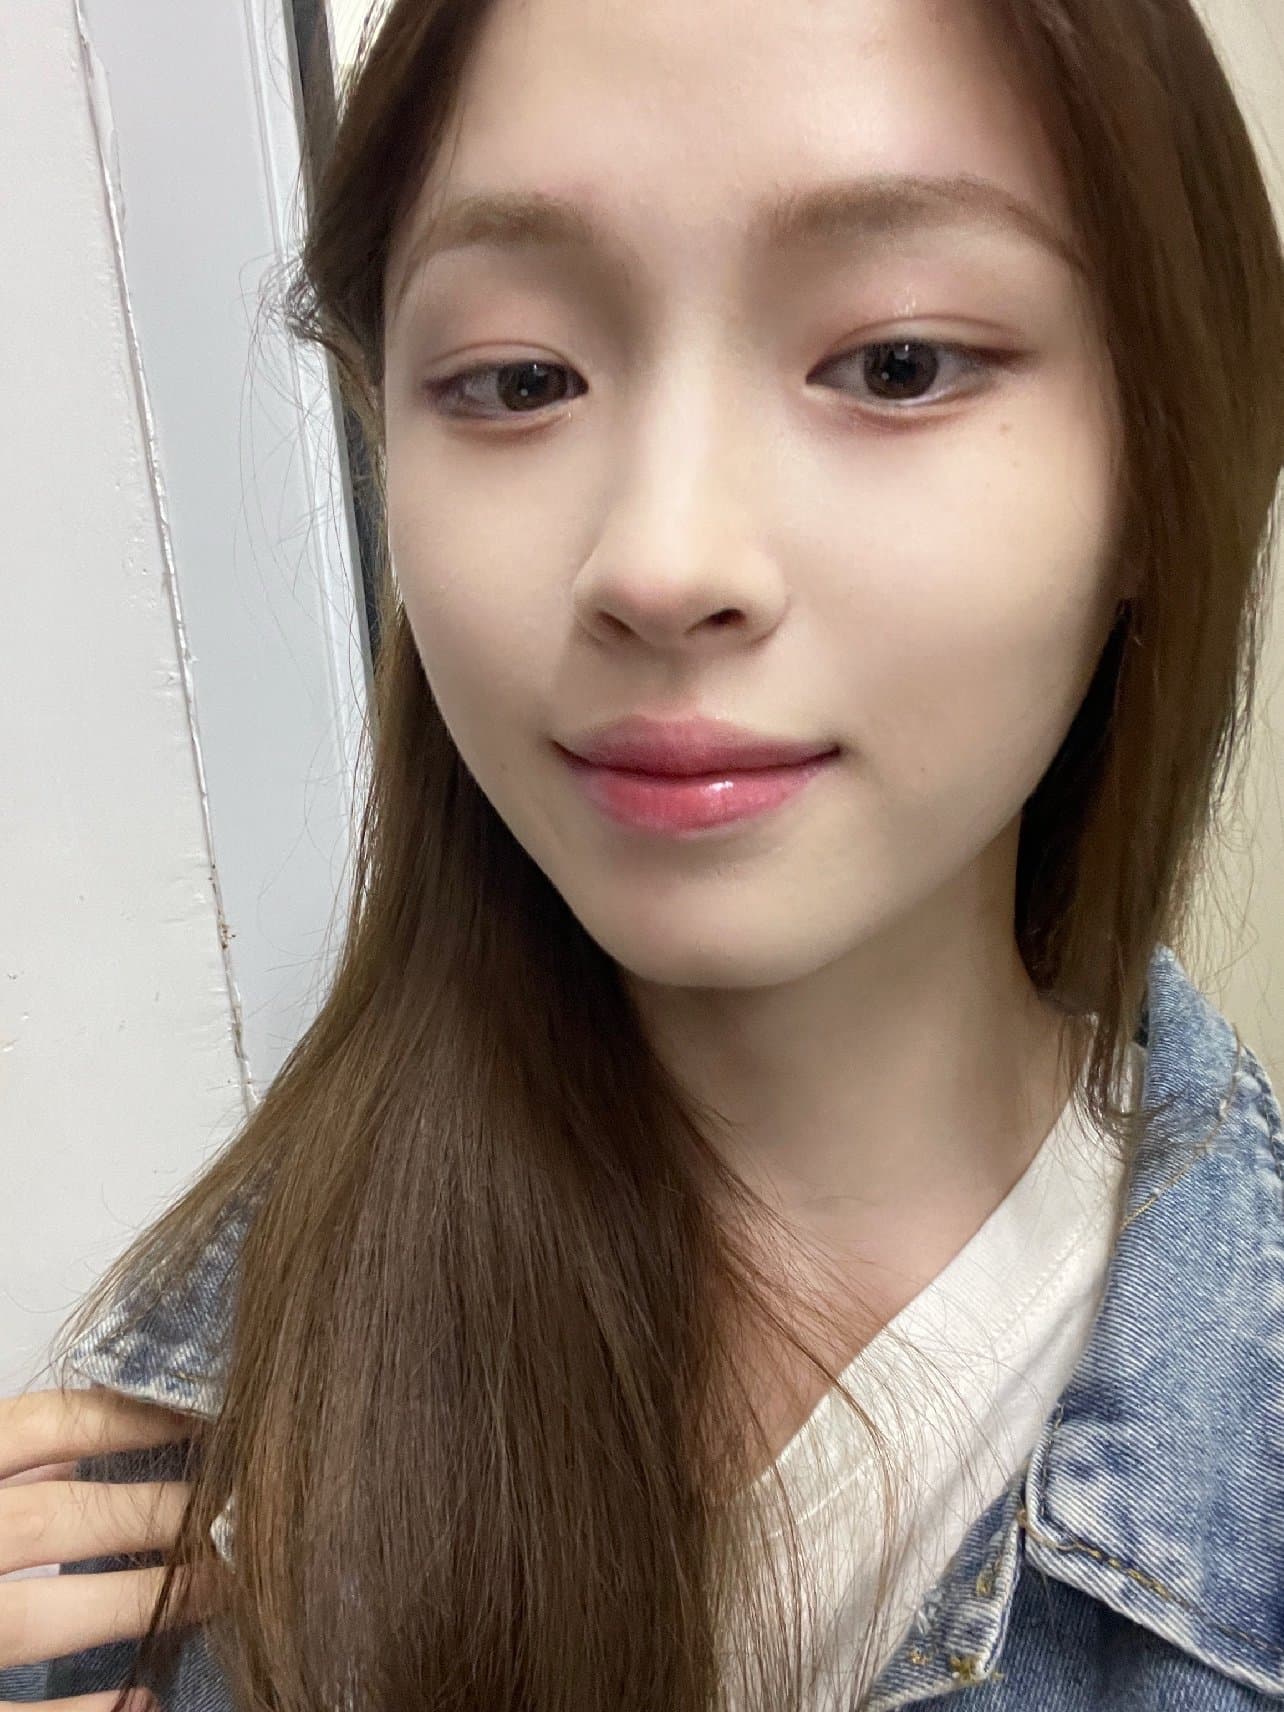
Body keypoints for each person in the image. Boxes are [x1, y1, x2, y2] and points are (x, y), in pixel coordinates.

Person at [3, 0, 1282, 1707]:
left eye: (897, 363)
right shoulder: (183, 1439)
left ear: (1159, 460)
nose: (664, 563)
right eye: (519, 379)